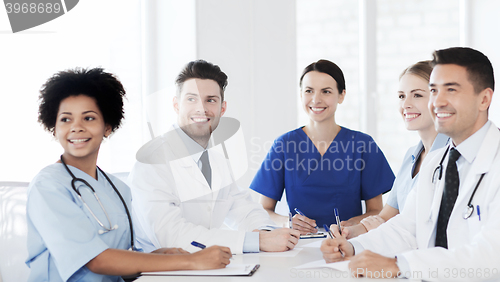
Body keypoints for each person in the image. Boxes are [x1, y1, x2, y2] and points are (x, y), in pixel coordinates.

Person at [26, 68, 232, 282]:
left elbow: (120, 266)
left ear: (107, 127)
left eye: (88, 118)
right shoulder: (48, 186)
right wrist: (192, 261)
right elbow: (96, 260)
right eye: (65, 120)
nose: (76, 128)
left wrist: (152, 258)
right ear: (54, 128)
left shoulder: (117, 188)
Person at [321, 47, 500, 281]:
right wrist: (355, 247)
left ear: (484, 99)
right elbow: (407, 227)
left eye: (451, 90)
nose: (438, 101)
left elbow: (492, 255)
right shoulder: (437, 162)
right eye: (434, 90)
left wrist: (401, 265)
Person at [128, 60, 300, 255]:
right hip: (162, 273)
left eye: (210, 100)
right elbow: (170, 235)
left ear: (222, 109)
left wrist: (265, 232)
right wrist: (256, 241)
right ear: (176, 105)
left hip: (207, 267)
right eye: (192, 99)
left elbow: (243, 208)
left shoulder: (216, 161)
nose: (202, 109)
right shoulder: (152, 160)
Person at [250, 59, 395, 234]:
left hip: (348, 241)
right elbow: (263, 210)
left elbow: (376, 210)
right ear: (301, 94)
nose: (316, 99)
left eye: (326, 91)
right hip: (296, 244)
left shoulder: (363, 145)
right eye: (309, 91)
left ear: (341, 95)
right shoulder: (284, 145)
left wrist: (354, 224)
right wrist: (287, 223)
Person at [343, 61, 448, 239]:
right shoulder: (411, 156)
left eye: (417, 95)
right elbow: (385, 217)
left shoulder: (453, 155)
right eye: (401, 96)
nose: (405, 104)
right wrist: (349, 233)